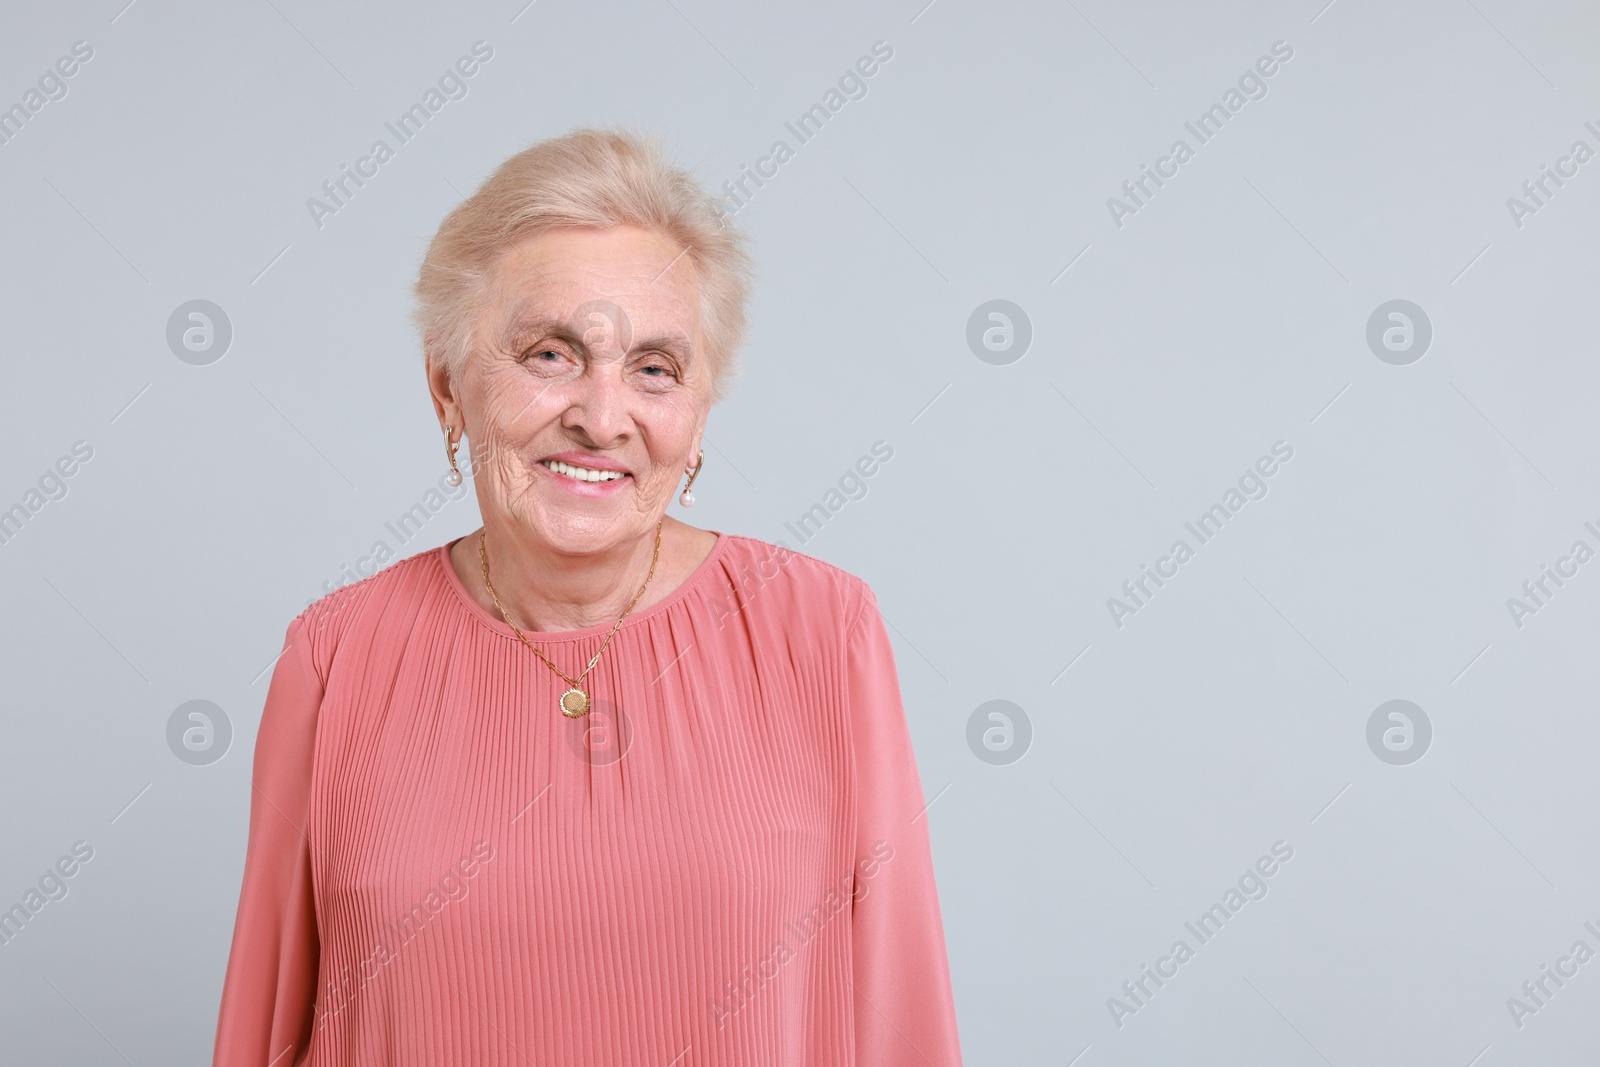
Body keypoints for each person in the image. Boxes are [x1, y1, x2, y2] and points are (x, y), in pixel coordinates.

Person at [212, 127, 962, 1066]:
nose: (603, 419)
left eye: (655, 369)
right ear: (449, 388)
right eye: (551, 355)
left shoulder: (823, 631)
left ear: (696, 418)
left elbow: (903, 1025)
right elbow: (262, 1032)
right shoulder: (334, 660)